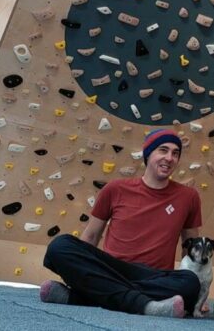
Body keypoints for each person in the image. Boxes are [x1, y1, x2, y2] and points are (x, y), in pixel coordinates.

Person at [40, 129, 203, 318]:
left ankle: (85, 297)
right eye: (163, 150)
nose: (169, 158)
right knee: (59, 246)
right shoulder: (115, 189)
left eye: (175, 153)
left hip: (154, 277)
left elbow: (191, 249)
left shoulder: (188, 197)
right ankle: (146, 305)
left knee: (191, 282)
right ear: (148, 153)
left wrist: (199, 297)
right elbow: (91, 236)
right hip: (111, 268)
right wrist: (79, 274)